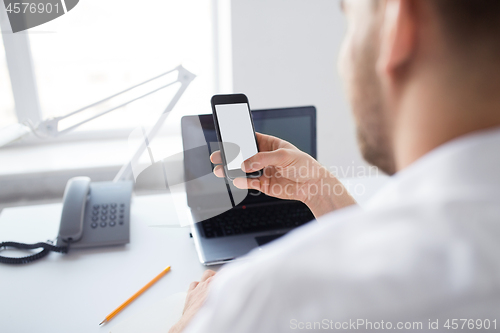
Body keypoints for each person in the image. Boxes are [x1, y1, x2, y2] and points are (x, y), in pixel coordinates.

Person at [170, 0, 500, 332]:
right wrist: (321, 190)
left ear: (397, 24)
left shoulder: (267, 299)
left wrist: (190, 324)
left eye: (350, 20)